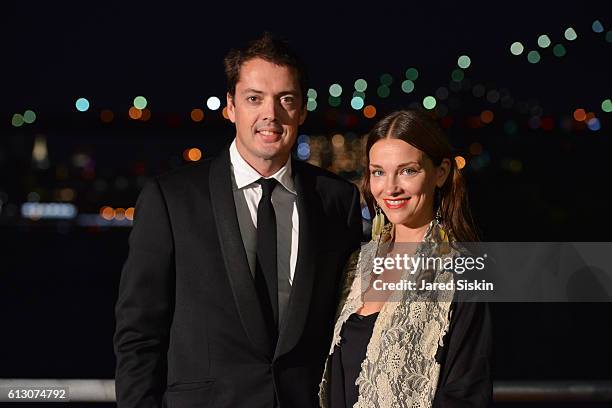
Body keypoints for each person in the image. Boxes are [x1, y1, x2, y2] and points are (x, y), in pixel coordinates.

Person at [114, 33, 362, 408]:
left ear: (302, 110)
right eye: (254, 98)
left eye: (286, 99)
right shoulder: (171, 199)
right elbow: (139, 334)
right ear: (230, 107)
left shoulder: (336, 200)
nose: (271, 114)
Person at [319, 110, 492, 407]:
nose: (391, 188)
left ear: (440, 172)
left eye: (408, 170)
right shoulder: (356, 265)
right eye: (378, 172)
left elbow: (467, 395)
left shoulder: (462, 273)